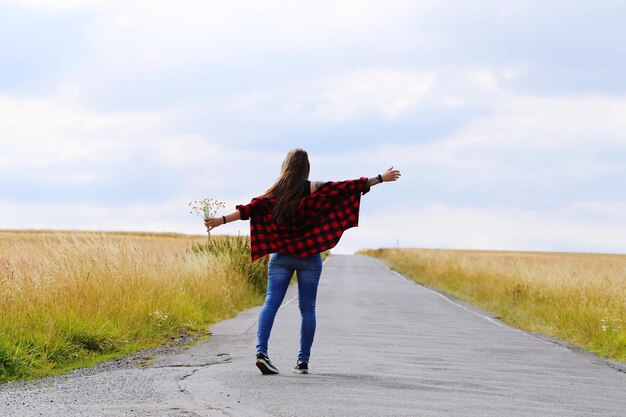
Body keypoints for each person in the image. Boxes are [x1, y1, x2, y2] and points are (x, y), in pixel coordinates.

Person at [204, 148, 401, 375]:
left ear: (285, 166)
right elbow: (347, 187)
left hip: (281, 257)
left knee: (270, 303)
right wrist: (379, 179)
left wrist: (221, 220)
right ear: (306, 167)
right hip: (309, 256)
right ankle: (303, 361)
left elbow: (251, 209)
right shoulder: (314, 188)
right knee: (307, 309)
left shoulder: (274, 193)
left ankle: (261, 353)